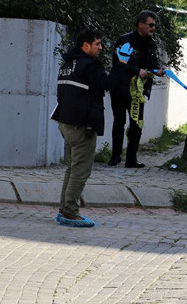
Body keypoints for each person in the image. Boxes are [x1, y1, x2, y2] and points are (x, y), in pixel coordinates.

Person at [51, 29, 140, 227]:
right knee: (80, 171)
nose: (100, 48)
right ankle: (70, 213)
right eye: (97, 44)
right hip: (82, 126)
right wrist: (122, 64)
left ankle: (64, 209)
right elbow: (108, 83)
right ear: (86, 46)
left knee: (72, 169)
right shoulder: (88, 66)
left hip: (66, 123)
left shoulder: (68, 64)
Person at [109, 10, 165, 168]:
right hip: (120, 88)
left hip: (138, 92)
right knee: (119, 122)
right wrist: (136, 70)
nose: (153, 28)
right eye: (151, 25)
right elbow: (118, 62)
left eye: (155, 25)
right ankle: (115, 156)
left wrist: (157, 71)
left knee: (136, 123)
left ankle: (131, 159)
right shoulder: (125, 40)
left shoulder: (152, 44)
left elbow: (151, 66)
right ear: (141, 25)